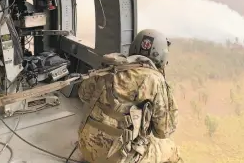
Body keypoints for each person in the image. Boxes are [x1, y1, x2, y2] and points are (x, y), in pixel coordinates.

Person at [77, 29, 183, 163]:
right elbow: (164, 131)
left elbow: (83, 95)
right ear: (162, 57)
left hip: (86, 147)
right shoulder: (154, 79)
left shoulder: (112, 66)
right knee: (172, 149)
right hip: (118, 157)